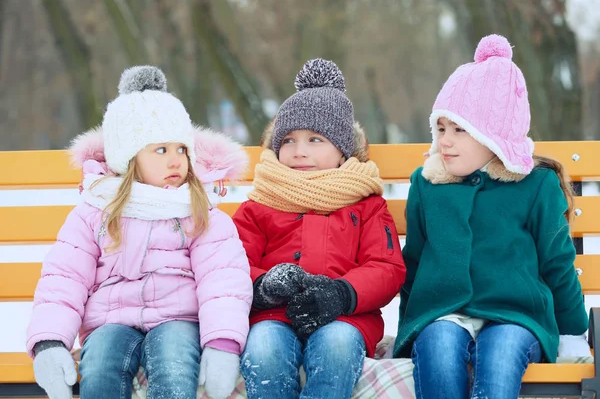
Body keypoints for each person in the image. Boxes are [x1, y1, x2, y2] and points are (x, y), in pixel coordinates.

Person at [26, 66, 252, 399]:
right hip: (110, 321)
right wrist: (49, 341)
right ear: (128, 158)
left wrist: (222, 343)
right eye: (161, 150)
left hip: (179, 320)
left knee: (174, 359)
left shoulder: (199, 211)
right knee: (101, 362)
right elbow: (64, 278)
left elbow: (223, 281)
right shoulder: (95, 211)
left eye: (181, 149)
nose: (175, 161)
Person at [392, 34, 591, 399]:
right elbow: (415, 262)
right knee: (437, 347)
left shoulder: (535, 186)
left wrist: (572, 333)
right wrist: (410, 324)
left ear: (494, 135)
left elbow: (557, 263)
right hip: (443, 315)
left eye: (459, 130)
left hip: (516, 315)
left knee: (499, 357)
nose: (445, 141)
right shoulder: (429, 184)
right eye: (441, 129)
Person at [233, 58, 407, 399]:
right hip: (273, 315)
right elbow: (231, 262)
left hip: (345, 317)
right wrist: (263, 285)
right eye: (288, 141)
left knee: (337, 347)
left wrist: (342, 293)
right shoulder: (260, 203)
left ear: (342, 151)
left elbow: (386, 267)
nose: (299, 152)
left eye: (315, 140)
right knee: (265, 348)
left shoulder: (366, 204)